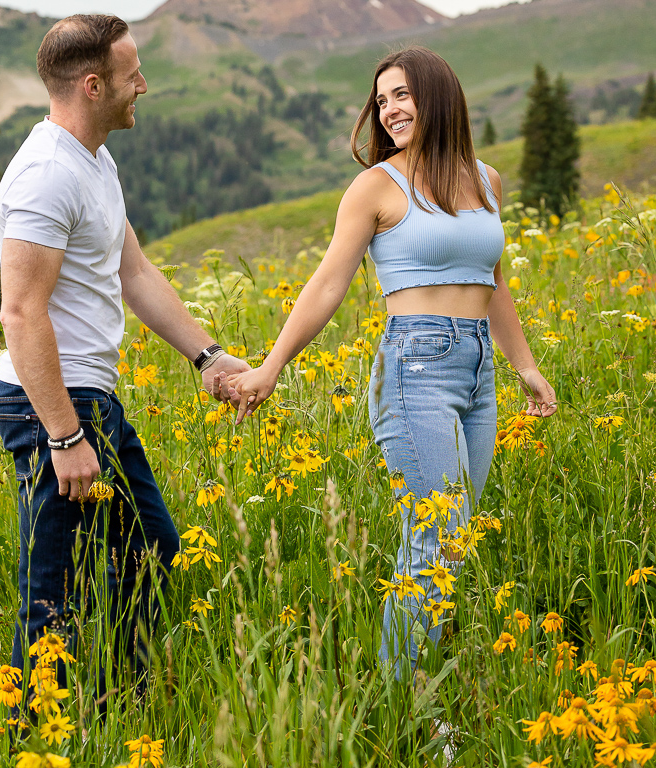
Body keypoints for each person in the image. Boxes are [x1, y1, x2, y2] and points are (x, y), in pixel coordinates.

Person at [225, 47, 557, 677]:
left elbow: (493, 279)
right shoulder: (377, 185)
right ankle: (410, 709)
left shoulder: (486, 179)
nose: (390, 110)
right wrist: (270, 367)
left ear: (437, 94)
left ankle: (421, 685)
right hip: (415, 370)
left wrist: (525, 364)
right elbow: (327, 283)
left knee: (455, 542)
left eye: (401, 94)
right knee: (432, 540)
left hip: (478, 369)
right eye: (381, 101)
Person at [0, 13, 249, 703]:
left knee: (149, 555)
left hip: (87, 399)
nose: (144, 85)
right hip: (52, 404)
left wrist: (209, 358)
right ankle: (32, 733)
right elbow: (20, 312)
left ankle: (114, 704)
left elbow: (133, 274)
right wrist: (65, 435)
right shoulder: (45, 175)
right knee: (54, 593)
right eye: (133, 74)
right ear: (93, 84)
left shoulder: (93, 162)